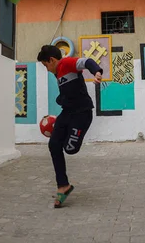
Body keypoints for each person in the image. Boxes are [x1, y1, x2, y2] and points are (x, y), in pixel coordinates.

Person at [37, 45, 103, 208]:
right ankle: (63, 186)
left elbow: (86, 61)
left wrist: (97, 72)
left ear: (52, 60)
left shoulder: (66, 63)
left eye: (46, 65)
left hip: (82, 113)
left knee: (71, 149)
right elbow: (69, 92)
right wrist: (61, 100)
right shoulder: (57, 73)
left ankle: (68, 136)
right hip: (67, 113)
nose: (47, 69)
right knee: (53, 145)